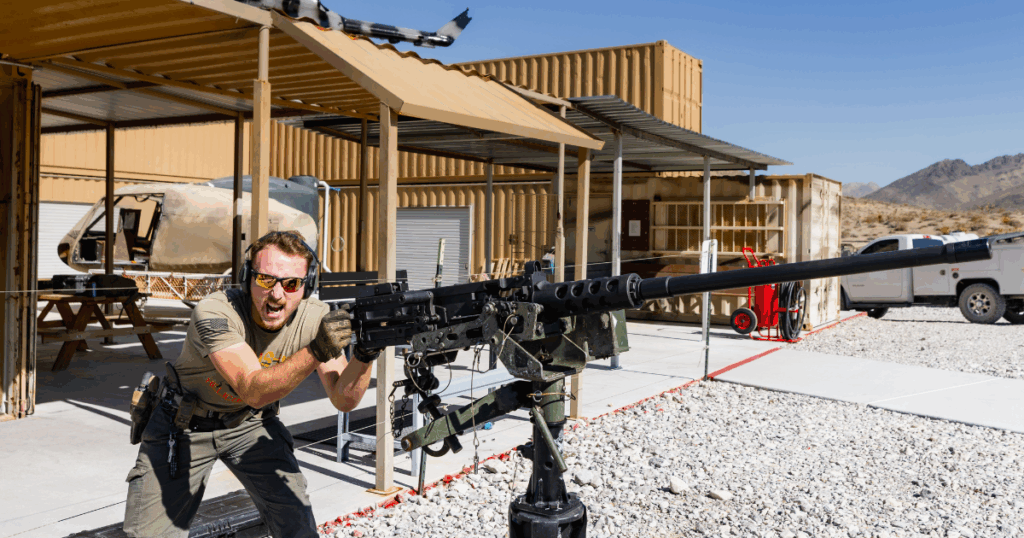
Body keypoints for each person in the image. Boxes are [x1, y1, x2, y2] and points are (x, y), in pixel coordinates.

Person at [123, 231, 377, 538]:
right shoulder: (216, 312)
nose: (277, 294)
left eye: (291, 284)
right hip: (183, 425)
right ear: (247, 278)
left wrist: (365, 354)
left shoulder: (315, 318)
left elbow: (344, 399)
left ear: (306, 286)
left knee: (297, 527)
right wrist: (316, 350)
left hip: (249, 424)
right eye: (266, 280)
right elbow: (252, 389)